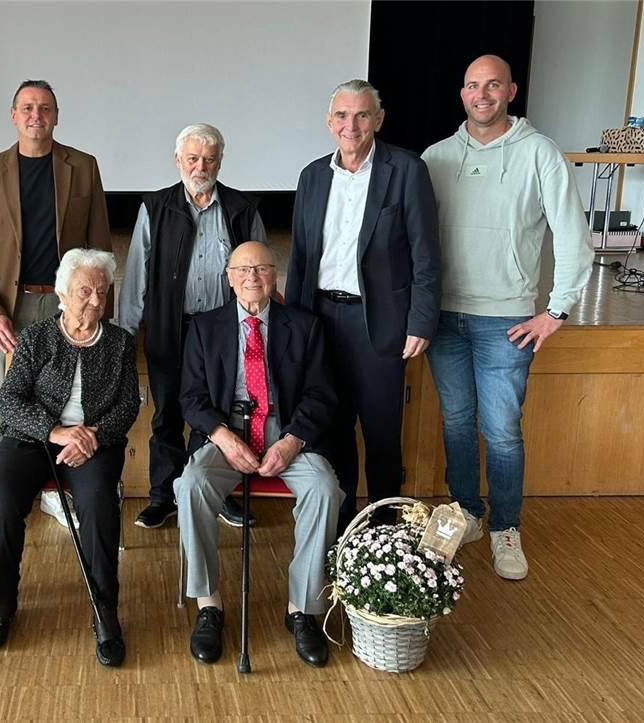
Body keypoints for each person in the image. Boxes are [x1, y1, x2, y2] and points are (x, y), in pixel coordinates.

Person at [421, 55, 593, 580]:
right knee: (455, 423)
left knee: (500, 431)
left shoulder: (540, 154)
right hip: (445, 318)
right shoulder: (436, 157)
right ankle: (468, 513)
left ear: (511, 91)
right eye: (473, 85)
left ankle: (506, 528)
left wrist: (556, 310)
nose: (482, 94)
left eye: (492, 84)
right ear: (462, 93)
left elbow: (572, 236)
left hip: (507, 322)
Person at [174, 241, 341, 668]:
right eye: (243, 269)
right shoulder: (204, 327)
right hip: (226, 435)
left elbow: (322, 395)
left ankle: (302, 610)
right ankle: (209, 606)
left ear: (274, 277)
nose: (252, 277)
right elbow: (191, 398)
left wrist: (290, 442)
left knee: (325, 488)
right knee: (190, 484)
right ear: (228, 279)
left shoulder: (304, 327)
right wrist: (224, 438)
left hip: (287, 434)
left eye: (262, 268)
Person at [286, 79, 440, 533]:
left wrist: (421, 320)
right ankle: (344, 525)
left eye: (361, 115)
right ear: (329, 122)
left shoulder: (406, 170)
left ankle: (384, 525)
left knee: (380, 432)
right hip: (319, 319)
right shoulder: (312, 176)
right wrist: (294, 325)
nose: (350, 125)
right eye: (341, 115)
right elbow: (300, 256)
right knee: (331, 427)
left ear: (378, 119)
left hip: (381, 323)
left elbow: (426, 254)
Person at [0, 248, 139, 666]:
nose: (95, 301)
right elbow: (9, 401)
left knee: (100, 503)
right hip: (33, 439)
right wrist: (54, 430)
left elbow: (127, 405)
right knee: (0, 499)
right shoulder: (36, 338)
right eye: (85, 290)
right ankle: (3, 600)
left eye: (102, 293)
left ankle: (105, 610)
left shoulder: (119, 343)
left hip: (93, 445)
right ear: (63, 294)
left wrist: (92, 436)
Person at [0, 79, 111, 529]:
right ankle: (8, 493)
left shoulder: (82, 167)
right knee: (9, 399)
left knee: (72, 396)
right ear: (13, 115)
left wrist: (100, 309)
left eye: (45, 108)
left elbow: (100, 244)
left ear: (56, 116)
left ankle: (60, 489)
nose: (36, 116)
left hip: (70, 306)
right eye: (27, 107)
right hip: (14, 307)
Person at [118, 123, 267, 530]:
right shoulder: (155, 207)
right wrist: (125, 336)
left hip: (221, 335)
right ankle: (163, 496)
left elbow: (258, 271)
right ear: (178, 161)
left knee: (219, 415)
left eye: (210, 159)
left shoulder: (242, 208)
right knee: (166, 413)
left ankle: (215, 493)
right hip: (169, 329)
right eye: (193, 158)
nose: (201, 166)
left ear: (220, 161)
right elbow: (136, 276)